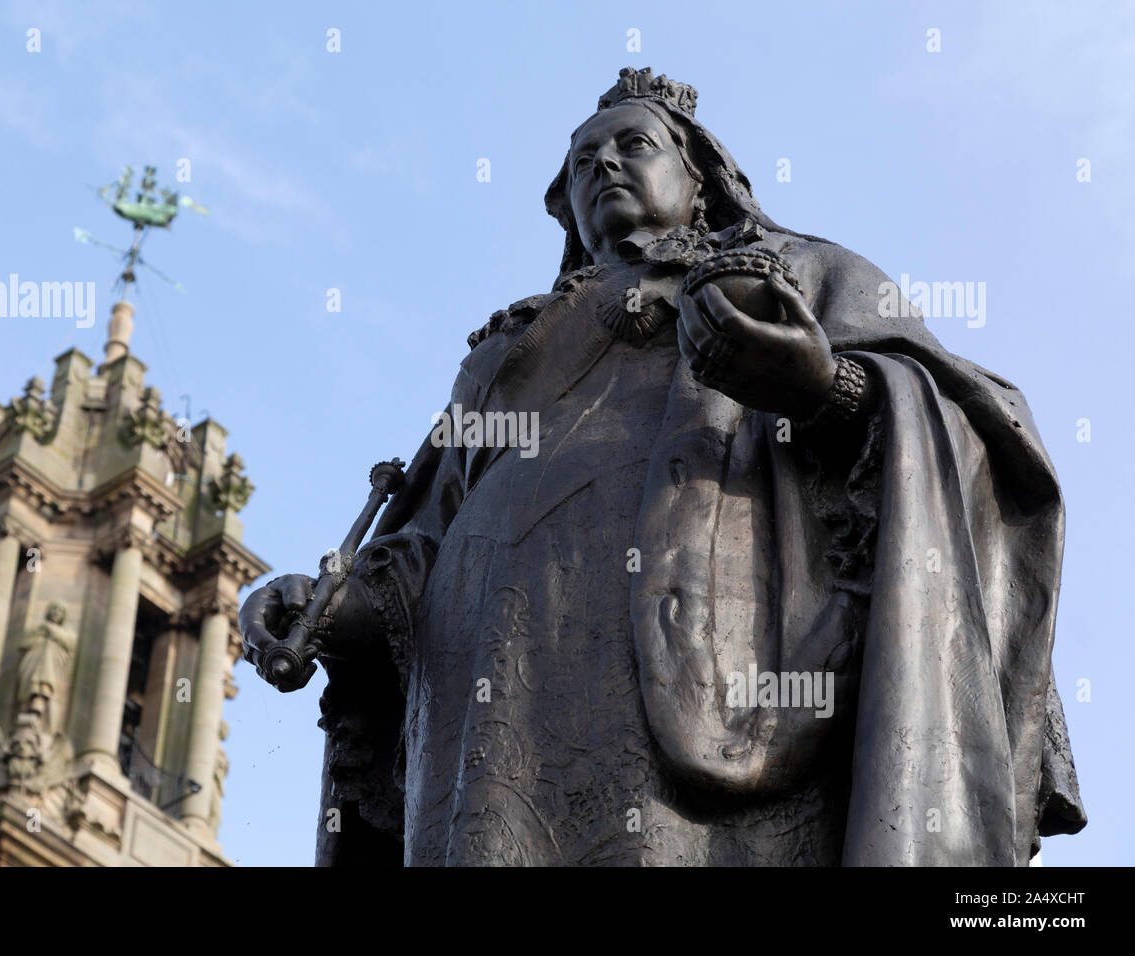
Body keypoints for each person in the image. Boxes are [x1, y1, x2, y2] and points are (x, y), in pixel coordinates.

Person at [241, 67, 1085, 866]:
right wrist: (335, 607)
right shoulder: (501, 355)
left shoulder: (799, 278)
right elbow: (420, 547)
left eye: (632, 145)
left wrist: (825, 387)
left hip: (713, 680)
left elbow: (976, 436)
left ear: (701, 177)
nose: (602, 162)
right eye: (580, 160)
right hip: (483, 699)